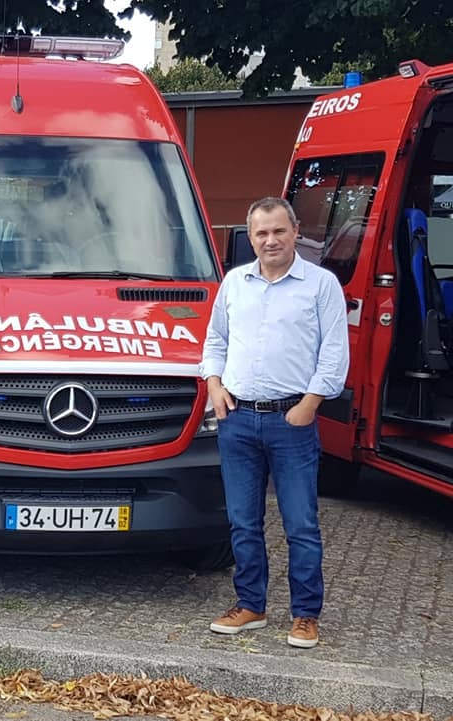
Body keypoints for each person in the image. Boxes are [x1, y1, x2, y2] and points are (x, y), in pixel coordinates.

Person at [200, 196, 348, 649]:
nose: (270, 241)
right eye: (261, 233)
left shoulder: (321, 286)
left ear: (295, 231)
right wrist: (214, 385)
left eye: (278, 231)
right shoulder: (234, 282)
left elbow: (334, 354)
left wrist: (309, 404)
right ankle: (251, 605)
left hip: (292, 421)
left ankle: (305, 614)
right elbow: (215, 340)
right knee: (244, 521)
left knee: (300, 522)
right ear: (251, 236)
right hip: (238, 419)